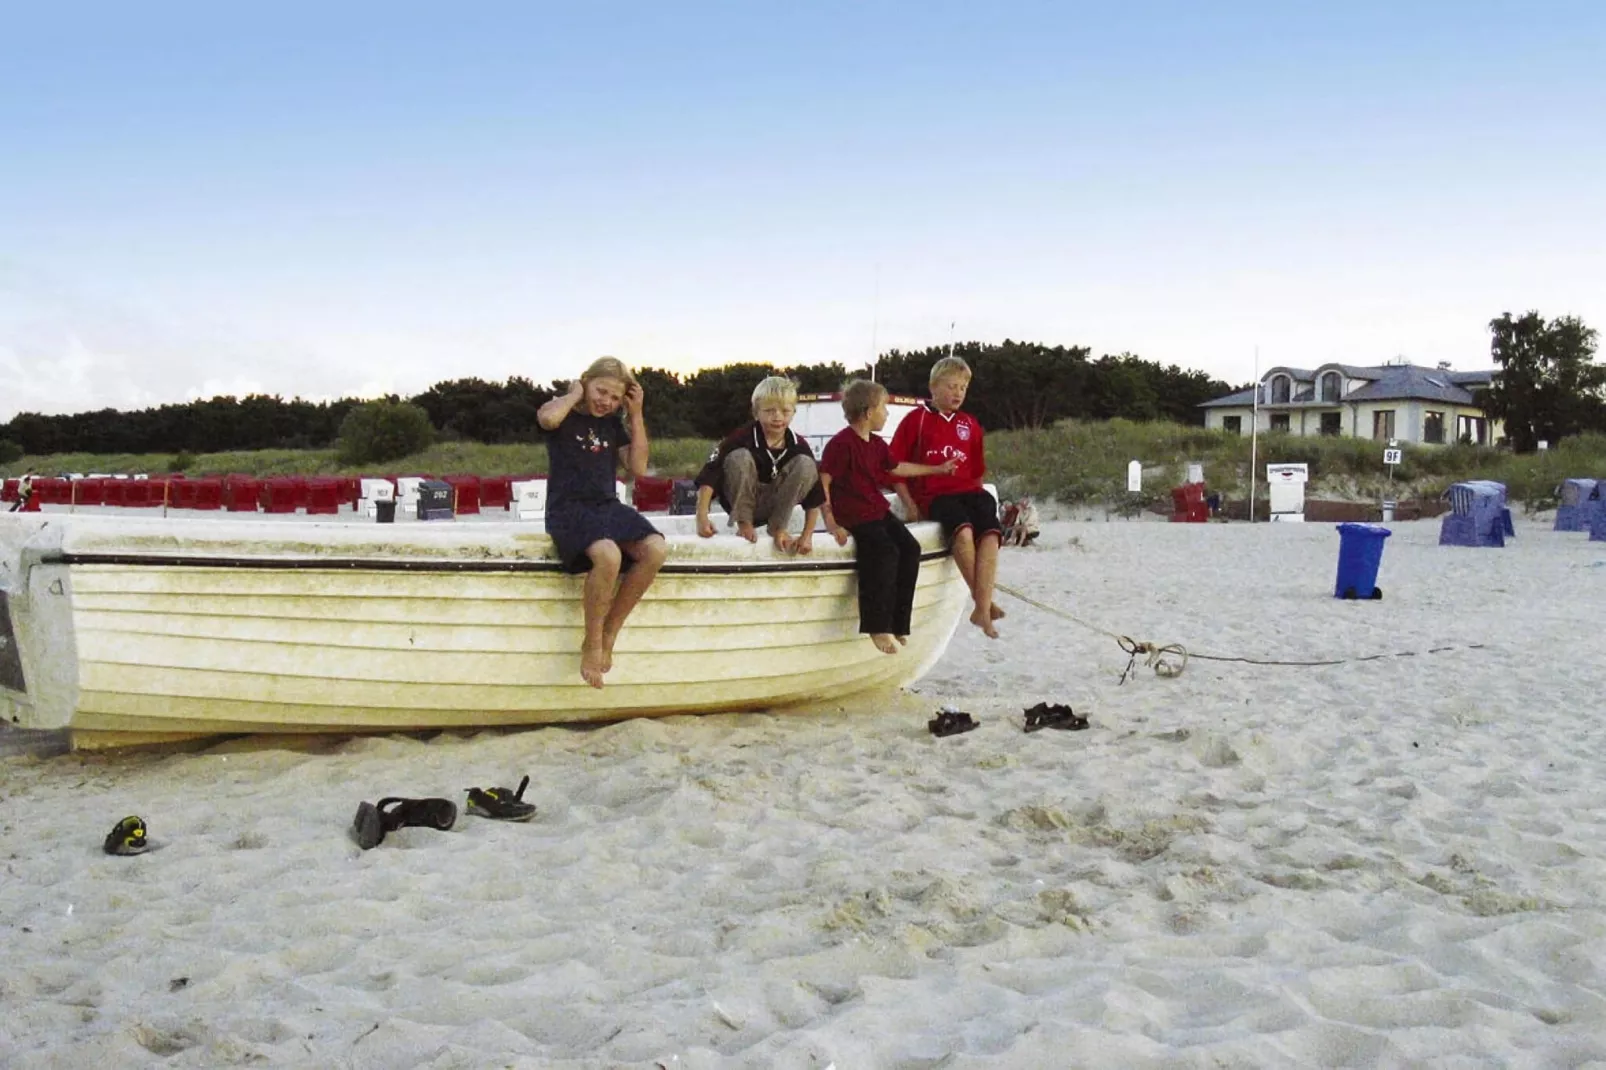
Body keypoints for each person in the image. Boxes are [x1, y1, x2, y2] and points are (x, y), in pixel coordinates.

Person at [537, 357, 668, 689]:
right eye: (600, 391)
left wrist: (635, 414)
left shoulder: (612, 424)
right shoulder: (563, 412)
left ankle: (610, 632)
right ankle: (592, 642)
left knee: (655, 549)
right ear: (586, 383)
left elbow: (637, 467)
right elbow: (548, 419)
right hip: (568, 508)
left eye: (614, 397)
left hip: (606, 505)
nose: (606, 401)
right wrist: (572, 395)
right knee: (608, 555)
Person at [819, 379, 958, 655]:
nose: (887, 413)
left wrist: (938, 469)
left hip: (876, 510)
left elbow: (898, 468)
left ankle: (897, 622)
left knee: (910, 548)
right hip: (854, 514)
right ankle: (876, 625)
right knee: (883, 551)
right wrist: (831, 522)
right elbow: (822, 483)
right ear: (868, 412)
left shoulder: (877, 445)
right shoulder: (841, 444)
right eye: (884, 407)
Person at [889, 356, 1004, 638]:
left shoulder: (970, 423)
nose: (957, 393)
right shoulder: (916, 420)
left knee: (990, 533)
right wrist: (909, 504)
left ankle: (982, 604)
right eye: (951, 386)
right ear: (934, 387)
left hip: (969, 492)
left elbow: (977, 471)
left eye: (963, 388)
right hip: (935, 495)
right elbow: (894, 469)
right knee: (963, 532)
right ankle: (983, 605)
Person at [693, 376, 823, 553]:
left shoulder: (799, 445)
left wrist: (807, 536)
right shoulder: (740, 438)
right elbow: (708, 476)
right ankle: (744, 522)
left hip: (776, 502)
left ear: (793, 412)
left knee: (807, 464)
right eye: (769, 411)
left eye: (785, 411)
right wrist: (702, 517)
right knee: (739, 457)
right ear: (756, 412)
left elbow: (815, 496)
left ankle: (779, 528)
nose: (777, 417)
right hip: (740, 499)